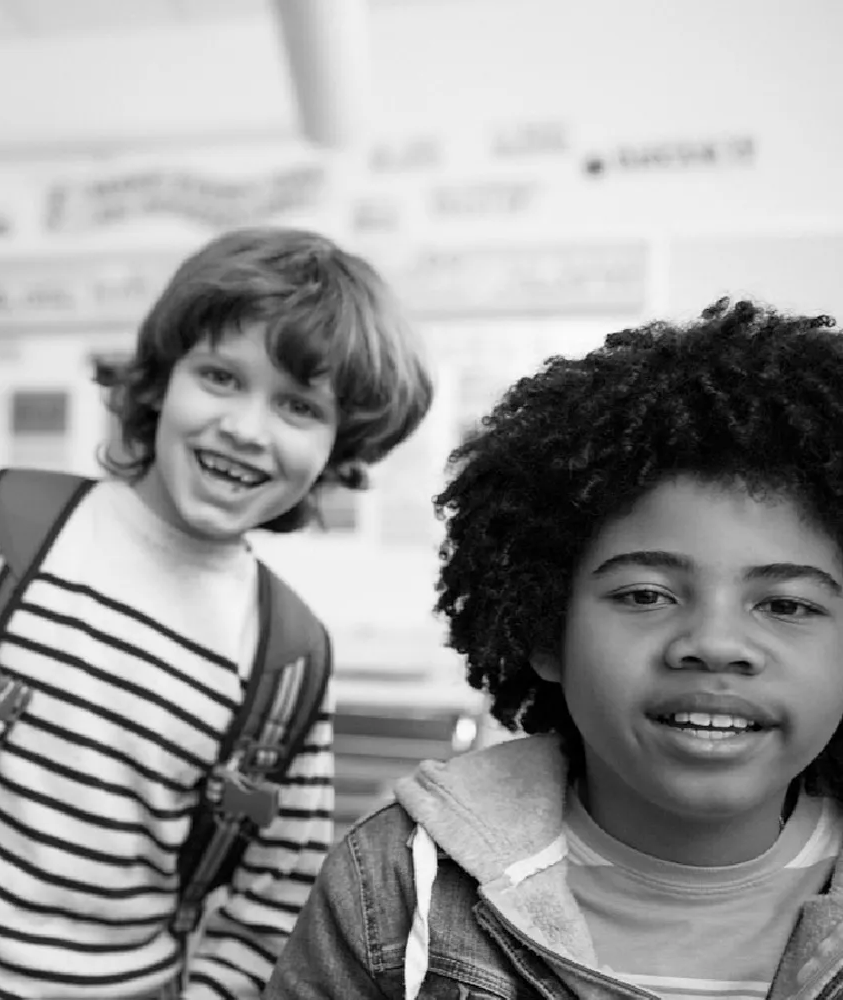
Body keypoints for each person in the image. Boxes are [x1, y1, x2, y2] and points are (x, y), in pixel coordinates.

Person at [0, 227, 436, 998]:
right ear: (160, 379)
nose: (245, 428)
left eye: (298, 406)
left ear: (341, 449)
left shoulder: (290, 660)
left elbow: (270, 908)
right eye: (220, 375)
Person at [266, 299, 843, 999]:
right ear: (545, 632)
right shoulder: (395, 884)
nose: (715, 645)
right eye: (644, 595)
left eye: (786, 605)